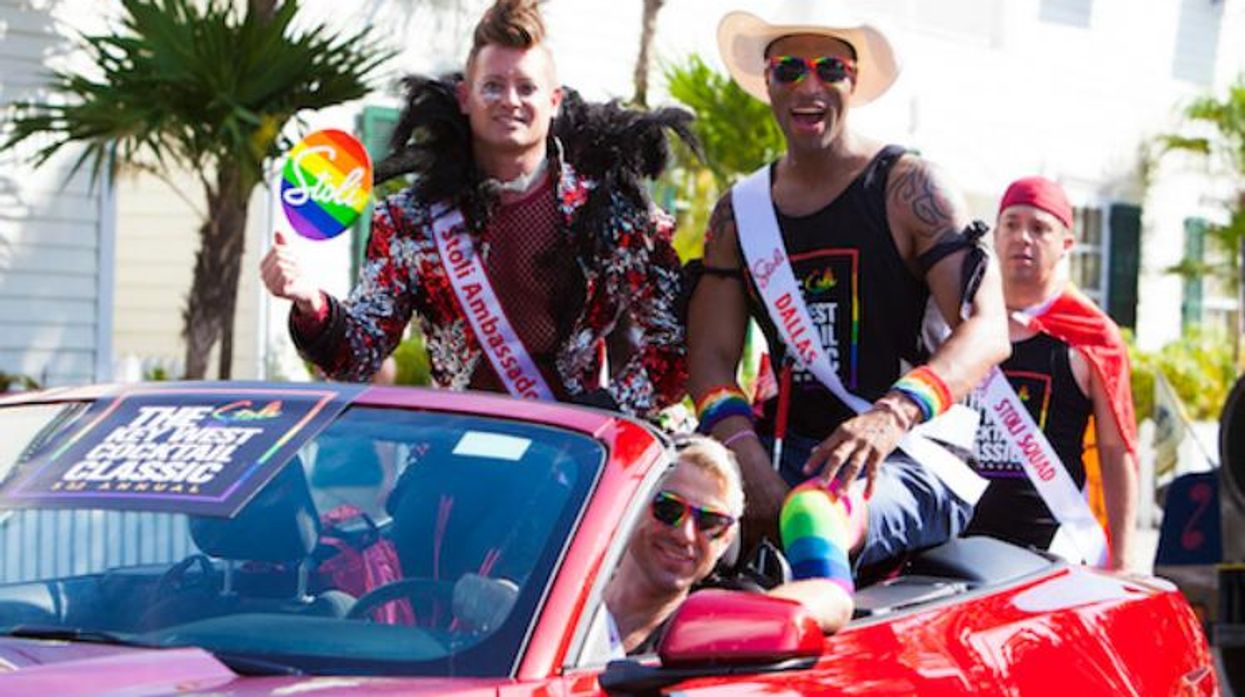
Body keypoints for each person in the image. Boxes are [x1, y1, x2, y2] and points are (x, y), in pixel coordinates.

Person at [687, 0, 1010, 606]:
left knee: (812, 510)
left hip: (913, 453)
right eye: (789, 69)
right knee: (668, 502)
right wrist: (746, 461)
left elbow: (989, 330)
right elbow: (709, 359)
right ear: (768, 83)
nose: (809, 87)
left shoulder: (910, 187)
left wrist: (890, 416)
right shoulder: (739, 212)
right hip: (782, 452)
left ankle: (817, 620)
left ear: (853, 81)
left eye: (830, 69)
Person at [260, 0, 690, 418]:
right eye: (493, 86)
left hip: (574, 456)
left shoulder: (609, 214)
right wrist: (311, 304)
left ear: (555, 101)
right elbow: (356, 356)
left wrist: (603, 415)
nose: (510, 100)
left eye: (527, 87)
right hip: (455, 454)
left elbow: (673, 347)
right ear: (465, 97)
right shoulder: (412, 220)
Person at [965, 176, 1138, 569]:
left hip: (1052, 548)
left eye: (1039, 228)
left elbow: (1116, 449)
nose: (1022, 238)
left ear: (1066, 244)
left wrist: (1123, 561)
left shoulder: (1092, 336)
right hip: (956, 540)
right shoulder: (962, 318)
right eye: (1011, 224)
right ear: (996, 235)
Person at [603, 436, 850, 655]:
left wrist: (736, 620)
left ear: (726, 540)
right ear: (632, 505)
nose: (685, 535)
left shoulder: (713, 625)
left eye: (710, 522)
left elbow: (835, 599)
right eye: (669, 508)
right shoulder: (578, 580)